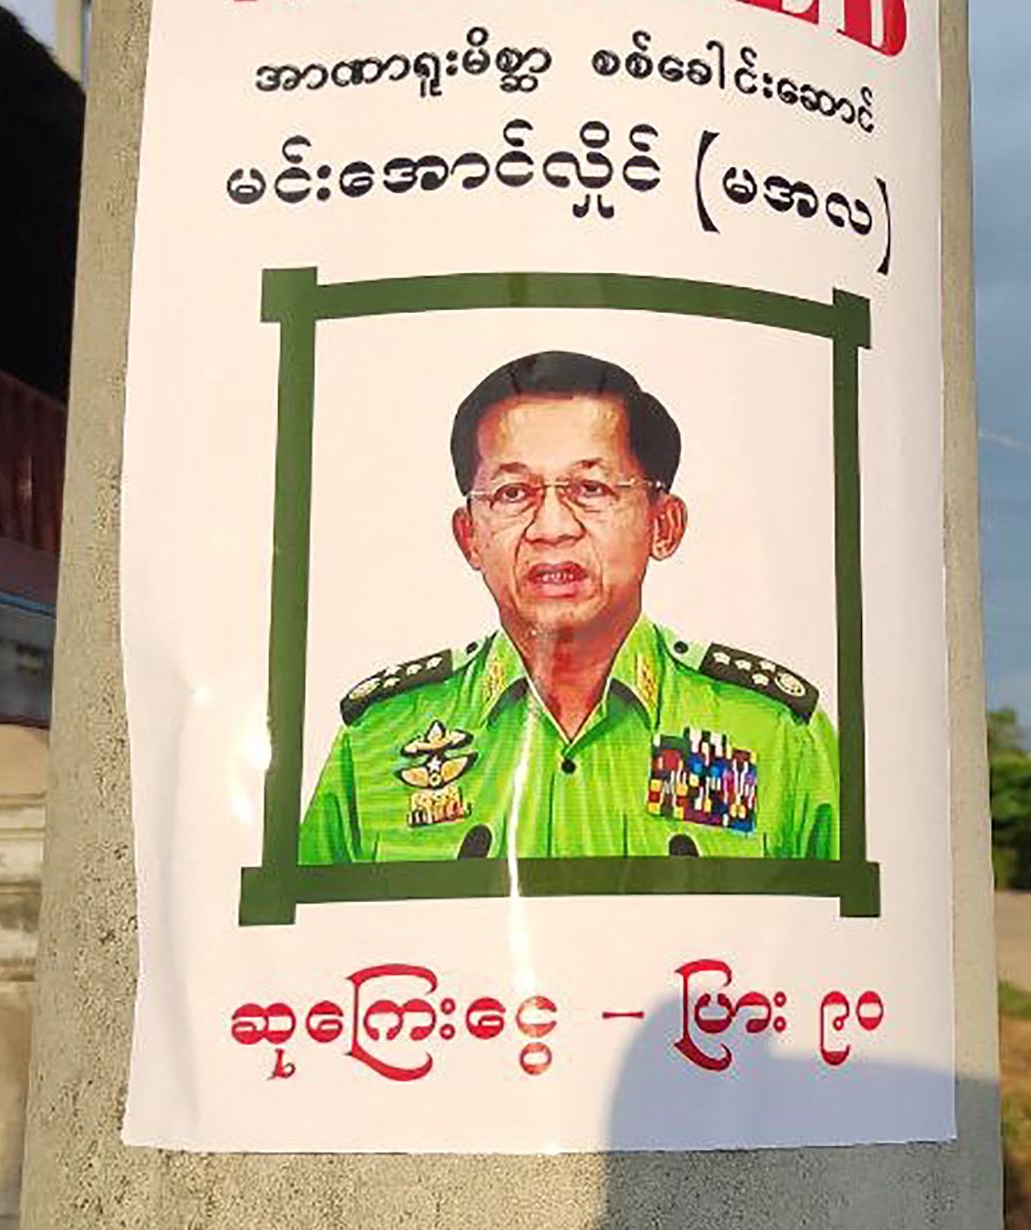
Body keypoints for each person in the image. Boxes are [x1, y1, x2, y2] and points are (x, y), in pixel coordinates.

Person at [298, 349, 838, 864]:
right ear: (469, 537)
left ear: (664, 524)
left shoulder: (775, 734)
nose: (552, 529)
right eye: (513, 493)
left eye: (591, 488)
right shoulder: (377, 741)